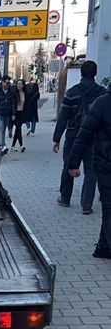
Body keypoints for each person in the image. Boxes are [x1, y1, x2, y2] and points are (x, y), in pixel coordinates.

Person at [52, 60, 106, 213]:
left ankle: (65, 198)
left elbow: (63, 117)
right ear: (95, 74)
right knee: (91, 170)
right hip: (94, 137)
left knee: (69, 165)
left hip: (73, 135)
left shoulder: (72, 92)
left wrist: (56, 138)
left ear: (81, 73)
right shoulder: (102, 94)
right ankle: (86, 205)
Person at [68, 83, 111, 258]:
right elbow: (84, 134)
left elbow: (83, 134)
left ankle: (103, 247)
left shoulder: (101, 103)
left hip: (104, 163)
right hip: (105, 164)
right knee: (109, 208)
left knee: (109, 207)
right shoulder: (102, 102)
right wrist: (73, 163)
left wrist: (73, 163)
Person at [0, 75, 16, 153]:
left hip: (7, 114)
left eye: (9, 83)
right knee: (1, 129)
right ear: (3, 82)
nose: (8, 85)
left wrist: (13, 114)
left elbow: (13, 104)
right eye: (7, 83)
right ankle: (3, 145)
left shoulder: (10, 93)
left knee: (3, 130)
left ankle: (1, 145)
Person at [11, 78, 27, 152]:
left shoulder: (25, 93)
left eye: (20, 84)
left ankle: (13, 146)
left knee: (18, 130)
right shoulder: (14, 93)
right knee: (18, 129)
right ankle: (21, 146)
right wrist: (13, 114)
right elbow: (13, 105)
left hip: (22, 113)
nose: (18, 85)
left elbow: (27, 104)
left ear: (23, 85)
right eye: (17, 84)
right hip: (16, 113)